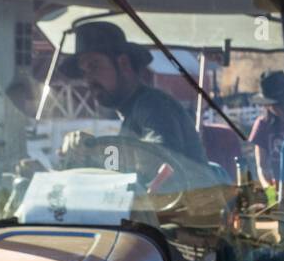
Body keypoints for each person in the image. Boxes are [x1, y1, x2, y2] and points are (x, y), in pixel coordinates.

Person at [59, 21, 207, 167]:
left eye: (94, 66)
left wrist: (94, 149)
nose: (88, 79)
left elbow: (159, 160)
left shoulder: (153, 105)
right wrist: (81, 156)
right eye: (84, 72)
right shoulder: (131, 113)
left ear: (124, 63)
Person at [248, 70, 284, 192]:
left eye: (283, 103)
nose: (280, 108)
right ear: (267, 105)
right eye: (274, 105)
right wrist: (269, 189)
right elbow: (261, 166)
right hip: (278, 189)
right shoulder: (262, 125)